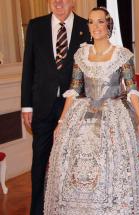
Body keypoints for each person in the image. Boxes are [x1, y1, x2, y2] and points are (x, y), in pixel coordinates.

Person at [43, 7, 139, 214]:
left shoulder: (122, 55)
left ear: (108, 25)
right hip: (84, 114)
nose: (96, 26)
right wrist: (61, 122)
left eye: (100, 21)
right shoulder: (81, 54)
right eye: (91, 22)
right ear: (88, 26)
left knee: (122, 162)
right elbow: (73, 89)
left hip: (114, 113)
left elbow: (132, 89)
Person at [20, 0, 90, 214]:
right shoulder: (35, 25)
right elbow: (28, 67)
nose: (58, 2)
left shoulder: (86, 26)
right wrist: (26, 106)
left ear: (74, 3)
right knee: (40, 159)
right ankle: (38, 209)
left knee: (72, 161)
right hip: (42, 105)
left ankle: (68, 207)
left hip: (75, 106)